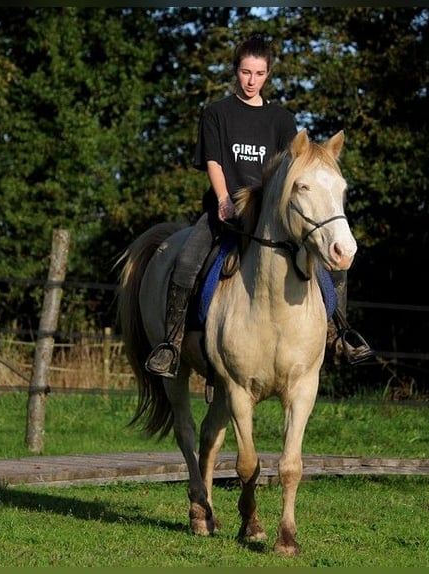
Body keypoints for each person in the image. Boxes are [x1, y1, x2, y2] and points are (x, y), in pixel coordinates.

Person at [145, 33, 374, 379]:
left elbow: (291, 172)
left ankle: (338, 335)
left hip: (270, 215)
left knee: (331, 262)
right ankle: (171, 343)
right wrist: (223, 199)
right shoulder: (216, 113)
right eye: (245, 72)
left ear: (268, 75)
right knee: (188, 260)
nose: (252, 81)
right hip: (226, 211)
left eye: (259, 73)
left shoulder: (282, 120)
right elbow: (214, 161)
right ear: (235, 71)